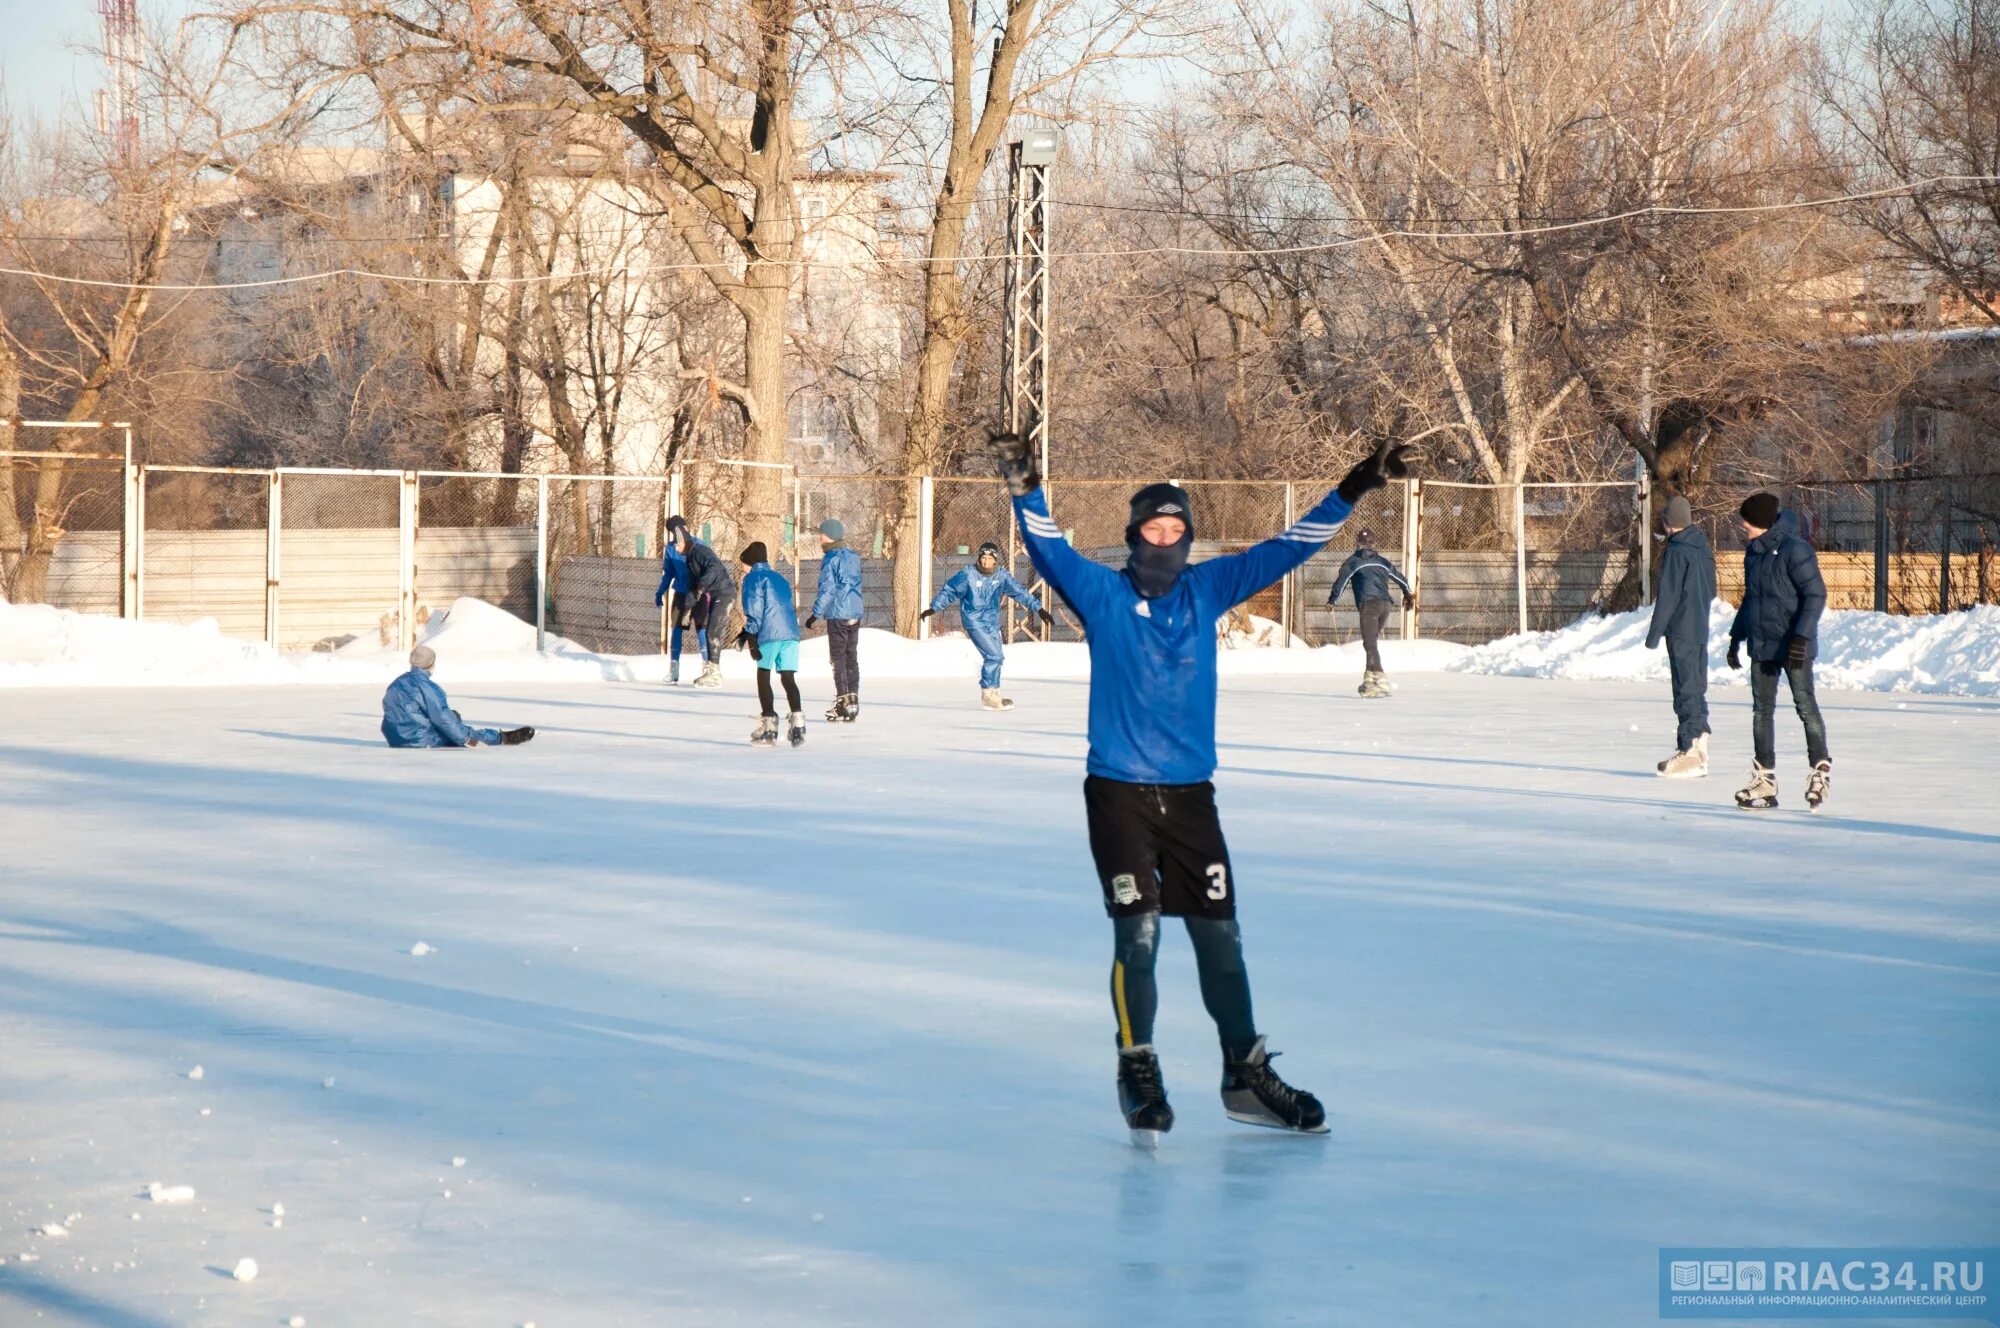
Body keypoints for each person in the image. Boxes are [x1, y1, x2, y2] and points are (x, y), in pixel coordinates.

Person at [999, 428, 1416, 1143]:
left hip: (1192, 797)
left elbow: (1287, 547)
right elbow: (1047, 549)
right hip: (1120, 794)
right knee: (1140, 938)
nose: (1166, 536)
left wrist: (1353, 486)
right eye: (1154, 525)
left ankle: (1243, 1073)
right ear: (1133, 534)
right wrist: (1024, 488)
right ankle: (1138, 1068)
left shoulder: (1206, 588)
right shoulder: (1101, 593)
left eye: (1177, 526)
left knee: (1220, 941)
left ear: (1188, 535)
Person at [1727, 491, 1831, 810]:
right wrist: (1736, 636)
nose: (1743, 526)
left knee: (1805, 705)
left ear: (1760, 522)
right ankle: (1765, 780)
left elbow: (1816, 595)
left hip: (1793, 645)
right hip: (1763, 644)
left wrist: (1801, 637)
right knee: (1762, 711)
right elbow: (1751, 599)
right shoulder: (1753, 553)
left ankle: (1820, 771)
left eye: (1747, 520)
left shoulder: (1795, 550)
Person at [919, 540, 1051, 710]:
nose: (985, 562)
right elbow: (950, 591)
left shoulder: (1001, 576)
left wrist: (1039, 609)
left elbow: (1019, 592)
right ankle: (987, 695)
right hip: (974, 620)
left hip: (991, 621)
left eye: (989, 558)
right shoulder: (968, 575)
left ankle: (994, 692)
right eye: (983, 558)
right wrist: (933, 608)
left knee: (998, 657)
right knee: (993, 656)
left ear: (995, 560)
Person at [1646, 495, 1717, 778]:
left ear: (1669, 523)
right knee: (1696, 687)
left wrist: (1654, 634)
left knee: (1684, 690)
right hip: (1699, 626)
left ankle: (1689, 751)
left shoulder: (1677, 550)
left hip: (1681, 629)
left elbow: (1668, 596)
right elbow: (1710, 590)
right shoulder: (1701, 546)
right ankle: (1700, 742)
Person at [381, 645, 533, 748]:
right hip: (419, 740)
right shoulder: (429, 688)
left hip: (395, 738)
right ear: (431, 663)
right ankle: (502, 737)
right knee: (459, 729)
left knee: (452, 718)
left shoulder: (396, 683)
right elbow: (444, 721)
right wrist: (469, 740)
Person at [1325, 528, 1415, 699]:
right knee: (1370, 643)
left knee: (1370, 644)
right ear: (1373, 545)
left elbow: (1341, 581)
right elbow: (1401, 579)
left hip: (1369, 606)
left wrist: (1332, 600)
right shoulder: (1382, 562)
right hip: (1385, 605)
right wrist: (1408, 595)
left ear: (1357, 544)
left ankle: (1381, 680)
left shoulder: (1353, 561)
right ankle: (1369, 679)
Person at [738, 542, 806, 747]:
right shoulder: (779, 578)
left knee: (763, 675)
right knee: (788, 677)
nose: (741, 566)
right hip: (790, 633)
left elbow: (755, 610)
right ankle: (798, 722)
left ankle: (769, 726)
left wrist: (749, 634)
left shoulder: (752, 579)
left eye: (742, 563)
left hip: (770, 633)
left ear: (749, 562)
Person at [667, 516, 737, 688]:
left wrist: (702, 585)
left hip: (724, 594)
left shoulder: (701, 551)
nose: (676, 549)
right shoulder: (690, 559)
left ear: (683, 541)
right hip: (714, 595)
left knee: (712, 632)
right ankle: (711, 671)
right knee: (709, 633)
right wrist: (687, 610)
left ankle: (715, 674)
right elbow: (691, 587)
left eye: (677, 544)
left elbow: (714, 567)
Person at [806, 518, 864, 723]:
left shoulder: (831, 558)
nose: (819, 537)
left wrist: (815, 613)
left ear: (829, 535)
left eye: (821, 534)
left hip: (838, 613)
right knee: (851, 655)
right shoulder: (853, 557)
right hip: (854, 613)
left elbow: (828, 588)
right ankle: (853, 700)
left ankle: (843, 702)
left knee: (838, 657)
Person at [654, 526, 708, 684]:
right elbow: (668, 573)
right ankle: (674, 669)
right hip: (681, 593)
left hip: (698, 593)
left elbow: (708, 569)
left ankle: (707, 667)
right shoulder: (671, 548)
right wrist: (660, 591)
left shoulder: (699, 545)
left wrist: (707, 589)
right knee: (676, 629)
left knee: (702, 629)